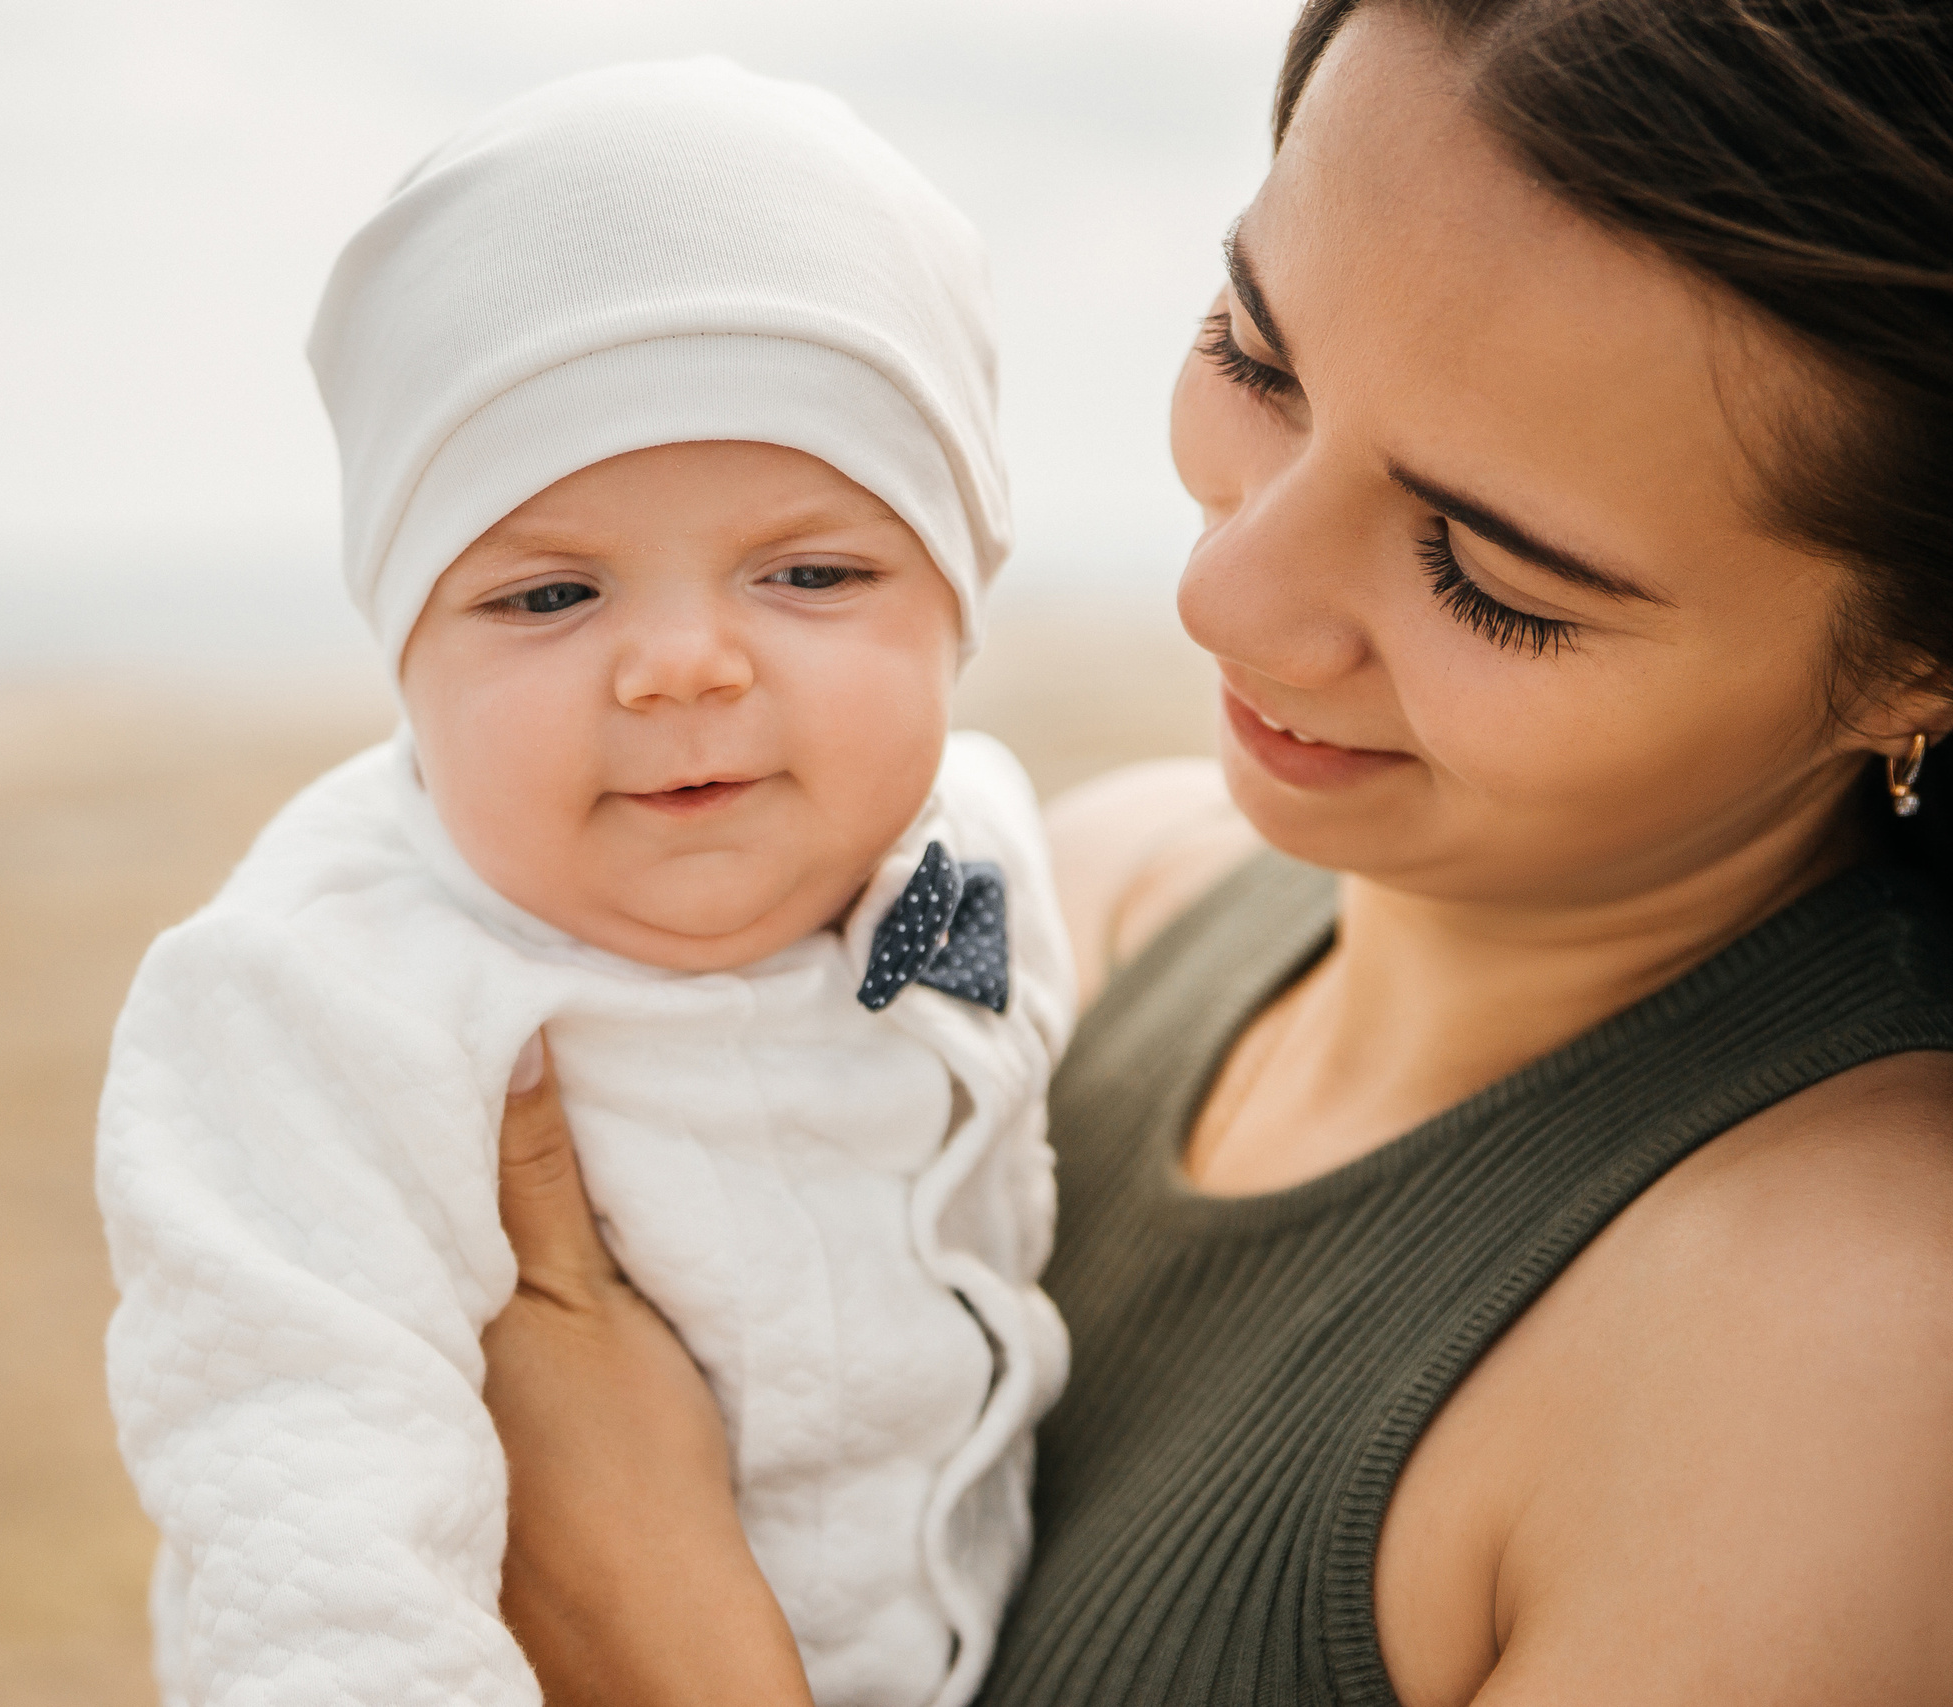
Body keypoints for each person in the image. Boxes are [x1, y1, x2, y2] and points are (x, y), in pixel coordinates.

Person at [478, 2, 1953, 1703]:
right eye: (1256, 359)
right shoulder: (1081, 911)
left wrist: (644, 1621)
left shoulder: (1849, 1362)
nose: (1225, 595)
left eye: (1490, 576)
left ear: (1915, 660)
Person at [94, 59, 1083, 1707]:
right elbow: (310, 1535)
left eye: (813, 571)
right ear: (403, 651)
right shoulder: (315, 999)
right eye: (550, 596)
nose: (680, 665)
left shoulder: (973, 851)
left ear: (956, 604)